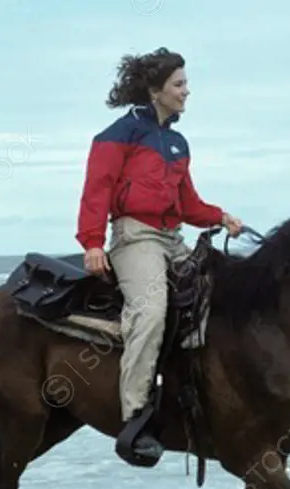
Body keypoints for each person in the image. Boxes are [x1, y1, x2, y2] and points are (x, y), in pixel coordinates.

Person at [75, 47, 243, 461]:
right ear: (156, 90)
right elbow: (96, 189)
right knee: (150, 310)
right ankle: (135, 415)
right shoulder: (119, 135)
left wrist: (220, 217)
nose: (187, 91)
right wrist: (93, 242)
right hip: (136, 238)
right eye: (179, 84)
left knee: (223, 293)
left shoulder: (177, 142)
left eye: (186, 83)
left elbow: (188, 204)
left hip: (173, 238)